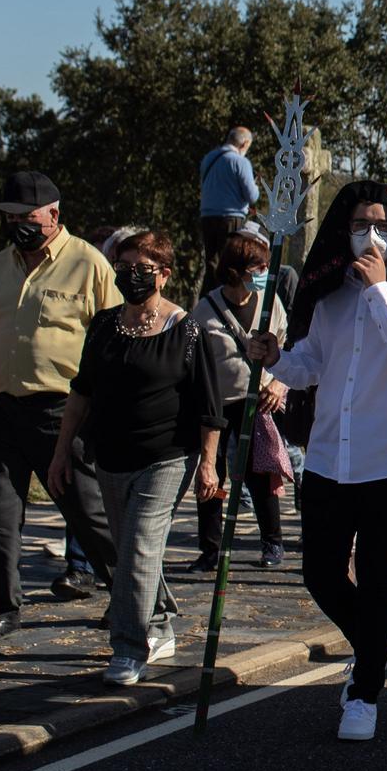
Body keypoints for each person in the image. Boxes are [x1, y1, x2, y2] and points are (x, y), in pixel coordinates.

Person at [246, 181, 387, 742]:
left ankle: (364, 692)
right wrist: (276, 358)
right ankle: (375, 641)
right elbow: (312, 363)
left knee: (378, 574)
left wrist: (380, 290)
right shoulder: (330, 294)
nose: (371, 235)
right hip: (332, 456)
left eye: (382, 225)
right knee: (320, 572)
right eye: (361, 224)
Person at [49, 232, 223, 685]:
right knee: (131, 551)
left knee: (139, 547)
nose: (131, 277)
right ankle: (161, 620)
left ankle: (129, 648)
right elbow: (81, 393)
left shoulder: (187, 331)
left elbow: (208, 406)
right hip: (110, 457)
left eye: (143, 269)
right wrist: (61, 450)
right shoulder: (105, 326)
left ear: (164, 274)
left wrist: (209, 462)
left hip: (165, 458)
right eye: (123, 268)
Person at [0, 173, 121, 646]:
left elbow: (113, 339)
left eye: (26, 217)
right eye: (10, 218)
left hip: (62, 410)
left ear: (53, 214)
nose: (18, 226)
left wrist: (108, 411)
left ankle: (131, 598)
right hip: (1, 409)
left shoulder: (88, 264)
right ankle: (2, 610)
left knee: (87, 514)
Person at [190, 225, 291, 569]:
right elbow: (193, 362)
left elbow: (285, 347)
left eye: (265, 269)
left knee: (259, 474)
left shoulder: (270, 301)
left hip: (257, 401)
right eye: (255, 270)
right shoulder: (205, 311)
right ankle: (211, 548)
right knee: (212, 474)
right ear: (235, 271)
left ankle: (272, 543)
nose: (262, 275)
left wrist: (278, 384)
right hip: (217, 406)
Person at [198, 126, 260, 290]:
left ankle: (207, 300)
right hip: (231, 217)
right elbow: (252, 196)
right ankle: (224, 298)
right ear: (245, 143)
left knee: (211, 262)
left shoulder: (208, 158)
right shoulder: (240, 162)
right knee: (229, 262)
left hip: (207, 216)